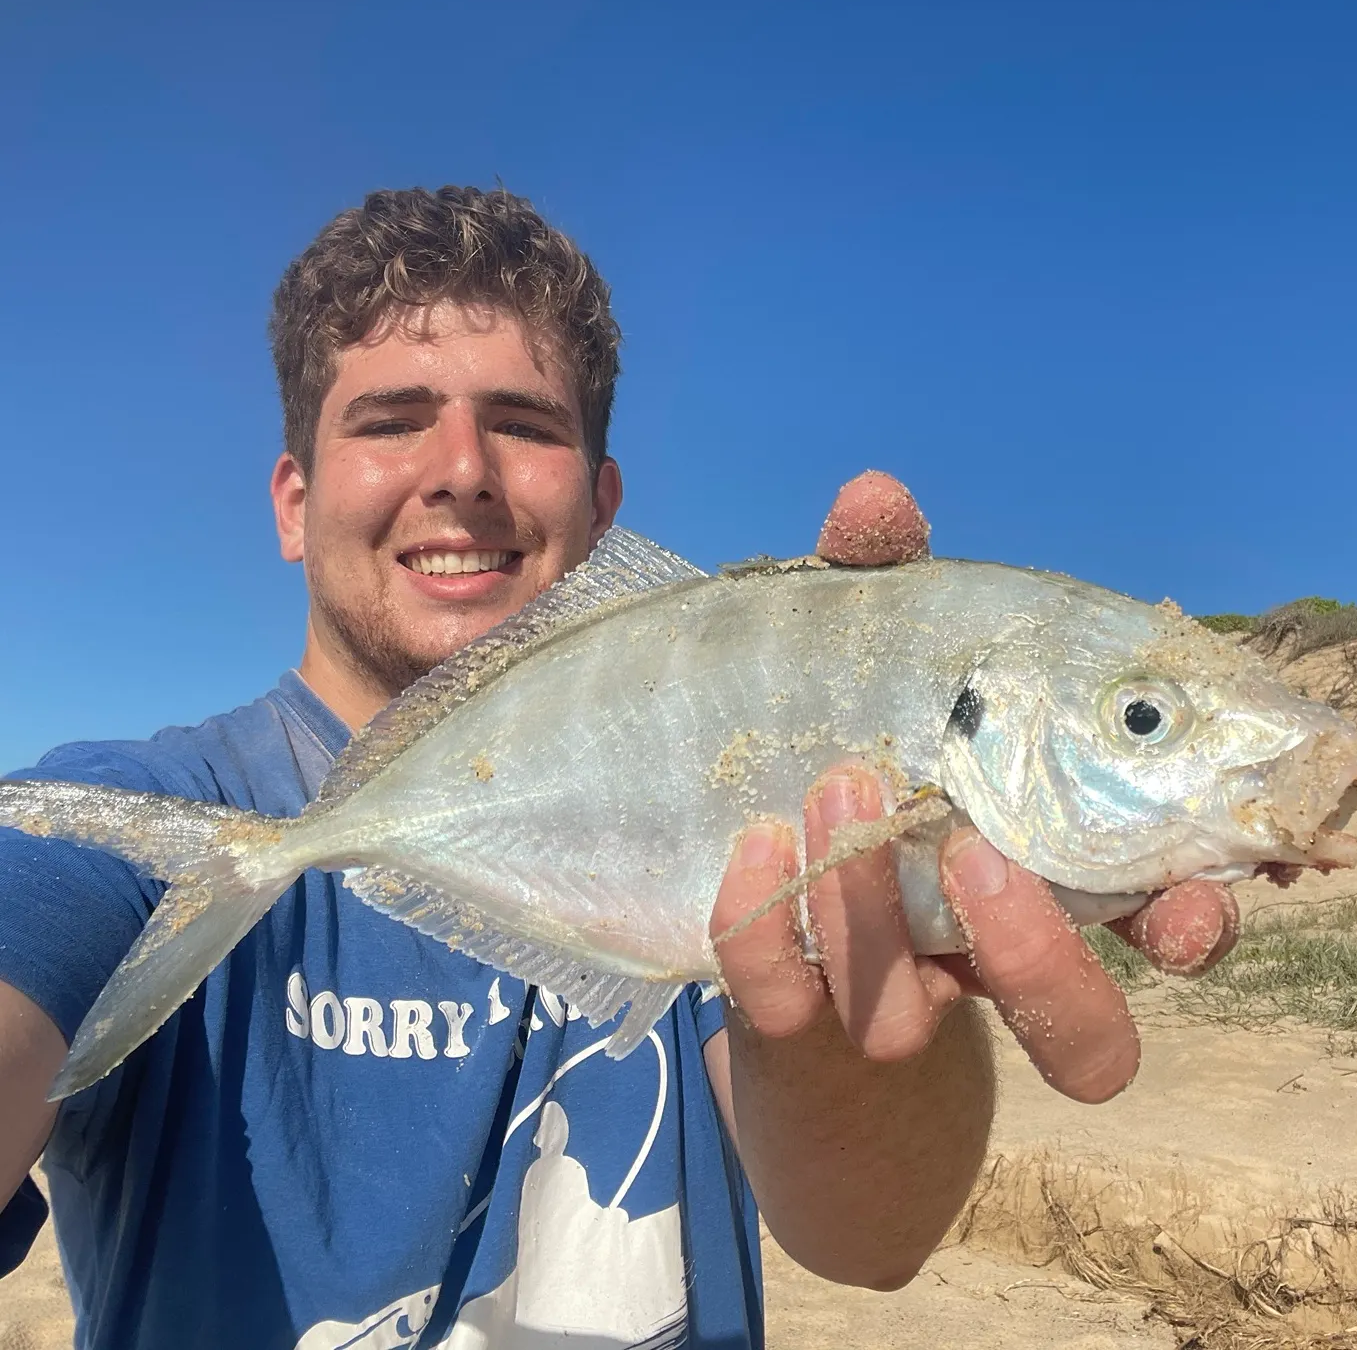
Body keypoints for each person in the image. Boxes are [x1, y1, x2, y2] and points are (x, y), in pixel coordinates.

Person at [0, 185, 1239, 1348]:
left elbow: (873, 1244)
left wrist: (845, 980)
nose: (464, 474)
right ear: (291, 498)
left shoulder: (721, 782)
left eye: (524, 426)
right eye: (390, 421)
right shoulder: (133, 821)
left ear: (602, 506)